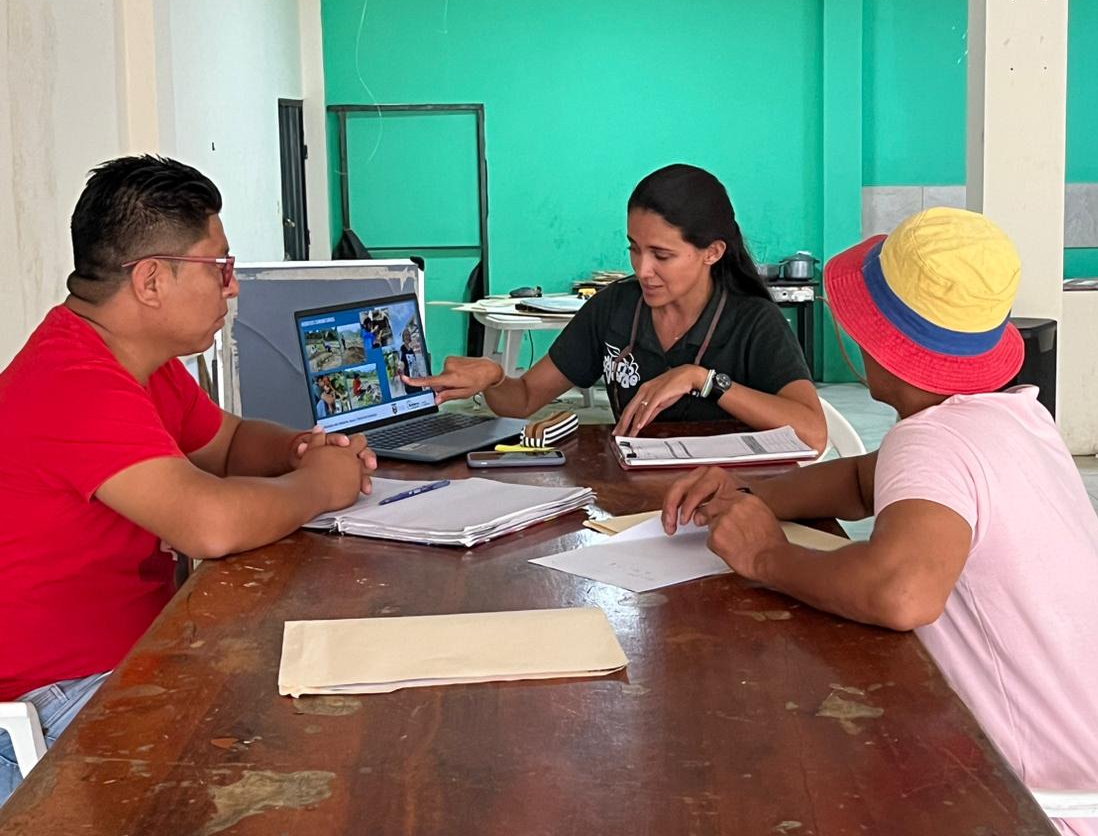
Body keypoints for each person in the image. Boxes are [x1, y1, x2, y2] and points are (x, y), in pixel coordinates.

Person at [662, 208, 1098, 836]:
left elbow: (903, 594)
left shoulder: (933, 441)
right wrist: (746, 489)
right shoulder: (1013, 417)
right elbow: (860, 482)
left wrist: (765, 556)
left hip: (1037, 809)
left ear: (881, 342)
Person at [0, 155, 378, 806]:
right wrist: (321, 486)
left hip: (133, 654)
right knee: (316, 756)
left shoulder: (136, 361)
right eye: (218, 267)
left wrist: (300, 449)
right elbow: (210, 524)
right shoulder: (72, 380)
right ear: (151, 280)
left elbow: (227, 444)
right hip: (58, 698)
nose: (231, 288)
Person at [404, 164, 826, 450]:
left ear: (712, 252)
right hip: (633, 500)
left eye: (662, 255)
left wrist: (703, 380)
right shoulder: (614, 309)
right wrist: (494, 377)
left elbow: (813, 432)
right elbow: (524, 398)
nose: (643, 270)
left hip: (726, 505)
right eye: (634, 249)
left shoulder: (753, 321)